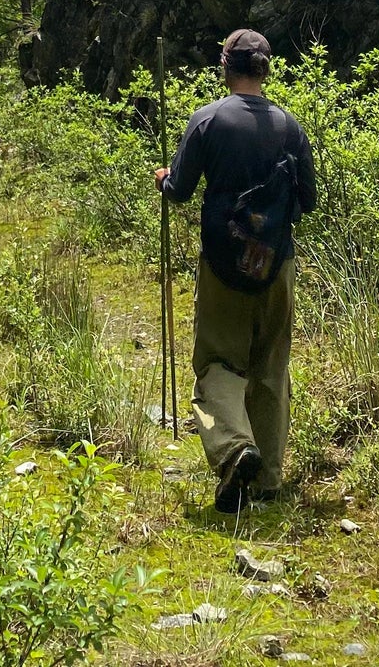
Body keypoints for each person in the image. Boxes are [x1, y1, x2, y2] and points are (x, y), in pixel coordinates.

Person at [155, 27, 317, 513]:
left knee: (215, 366)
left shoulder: (207, 120)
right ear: (266, 69)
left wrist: (164, 179)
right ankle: (267, 482)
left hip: (222, 265)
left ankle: (231, 448)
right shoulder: (291, 127)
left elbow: (180, 190)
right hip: (277, 264)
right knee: (270, 368)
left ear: (225, 66)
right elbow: (308, 201)